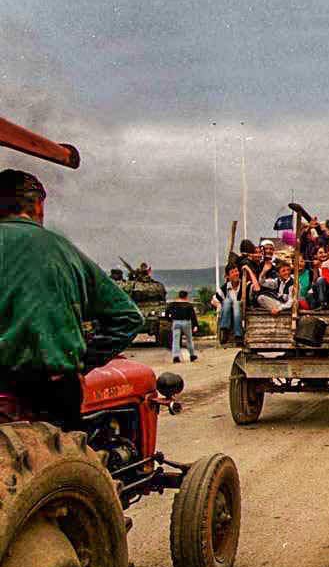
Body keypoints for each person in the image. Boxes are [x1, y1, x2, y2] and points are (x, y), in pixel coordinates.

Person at [0, 169, 143, 419]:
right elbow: (129, 317)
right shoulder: (62, 250)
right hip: (52, 391)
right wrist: (82, 362)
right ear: (38, 205)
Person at [213, 265, 244, 344]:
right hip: (228, 315)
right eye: (232, 272)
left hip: (240, 314)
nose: (236, 274)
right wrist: (220, 306)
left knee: (236, 303)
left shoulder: (244, 285)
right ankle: (224, 330)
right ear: (228, 276)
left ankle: (238, 335)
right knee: (226, 301)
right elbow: (214, 300)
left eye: (236, 271)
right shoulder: (225, 288)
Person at [166, 290, 199, 363]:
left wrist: (170, 319)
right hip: (186, 322)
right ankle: (192, 355)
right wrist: (195, 325)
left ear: (179, 296)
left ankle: (176, 357)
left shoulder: (172, 304)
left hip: (176, 322)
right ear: (186, 296)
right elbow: (193, 316)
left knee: (175, 340)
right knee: (189, 339)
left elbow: (167, 312)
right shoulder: (188, 305)